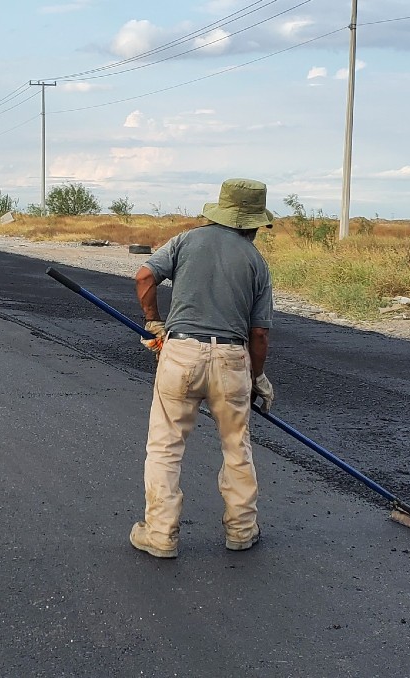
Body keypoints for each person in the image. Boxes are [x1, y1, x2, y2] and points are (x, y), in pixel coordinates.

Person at [129, 178, 276, 559]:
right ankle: (242, 530)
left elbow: (145, 276)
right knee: (236, 445)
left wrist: (153, 321)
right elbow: (258, 334)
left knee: (165, 447)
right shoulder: (255, 261)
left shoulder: (186, 241)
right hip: (230, 359)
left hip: (180, 353)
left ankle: (160, 535)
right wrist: (257, 377)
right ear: (252, 223)